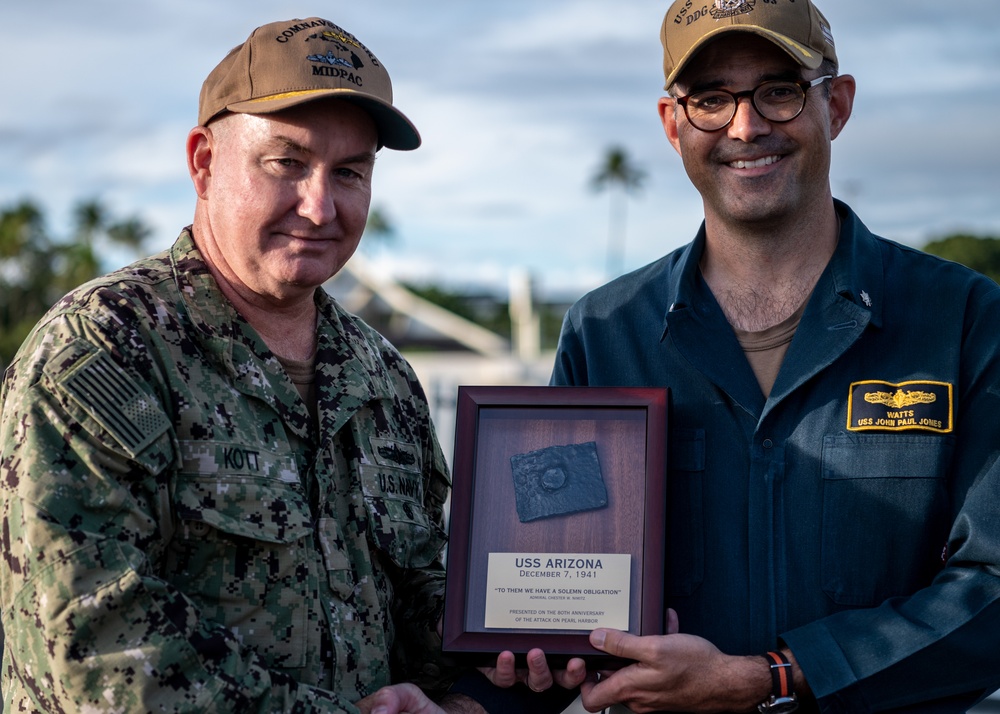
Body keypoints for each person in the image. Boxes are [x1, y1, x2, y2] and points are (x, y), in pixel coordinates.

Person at [0, 17, 575, 714]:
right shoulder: (103, 353)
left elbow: (427, 601)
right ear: (205, 162)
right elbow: (105, 653)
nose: (319, 206)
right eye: (287, 163)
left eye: (350, 173)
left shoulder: (382, 377)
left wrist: (517, 661)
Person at [545, 0, 1000, 712]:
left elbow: (994, 589)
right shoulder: (603, 334)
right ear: (672, 123)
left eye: (779, 91)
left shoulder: (966, 319)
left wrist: (777, 676)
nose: (745, 126)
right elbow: (558, 580)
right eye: (711, 99)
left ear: (837, 105)